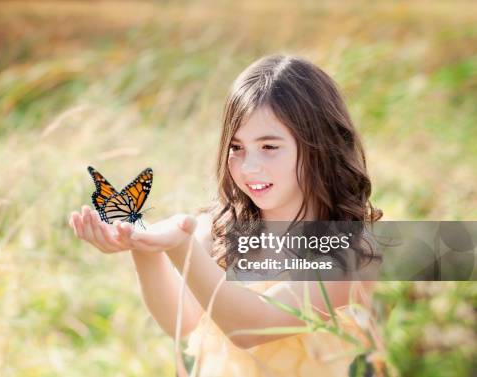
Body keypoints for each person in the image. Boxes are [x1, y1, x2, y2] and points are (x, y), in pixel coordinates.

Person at [69, 54, 382, 376]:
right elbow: (183, 321)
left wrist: (181, 247)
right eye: (236, 148)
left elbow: (251, 327)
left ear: (320, 146)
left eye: (269, 147)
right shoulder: (219, 229)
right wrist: (143, 245)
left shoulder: (350, 251)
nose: (248, 167)